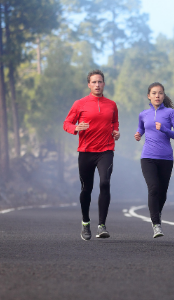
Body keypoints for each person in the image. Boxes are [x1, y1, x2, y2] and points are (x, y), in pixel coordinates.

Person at [63, 70, 120, 241]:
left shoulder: (112, 104)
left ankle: (102, 225)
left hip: (106, 150)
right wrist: (75, 128)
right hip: (86, 152)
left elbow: (114, 122)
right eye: (94, 82)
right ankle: (86, 223)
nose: (97, 85)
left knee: (105, 182)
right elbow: (67, 122)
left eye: (100, 82)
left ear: (104, 84)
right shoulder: (80, 104)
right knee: (86, 188)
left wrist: (116, 132)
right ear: (89, 84)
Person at [135, 82, 174, 238]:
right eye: (154, 93)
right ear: (149, 96)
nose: (157, 95)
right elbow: (141, 128)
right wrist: (138, 134)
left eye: (160, 93)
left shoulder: (170, 113)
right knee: (153, 188)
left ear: (163, 95)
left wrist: (164, 129)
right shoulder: (143, 114)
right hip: (148, 157)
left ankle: (157, 214)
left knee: (162, 192)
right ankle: (156, 224)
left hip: (166, 158)